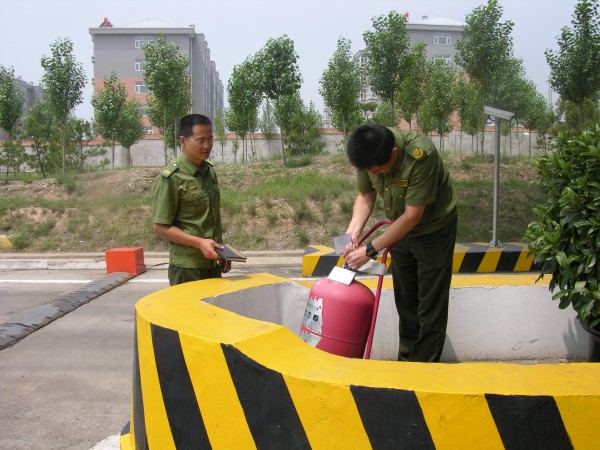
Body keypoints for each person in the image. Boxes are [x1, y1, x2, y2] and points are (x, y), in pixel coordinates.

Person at [343, 124, 457, 362]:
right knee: (406, 301)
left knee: (430, 305)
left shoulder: (420, 155)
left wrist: (370, 250)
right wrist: (352, 234)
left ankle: (424, 369)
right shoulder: (369, 153)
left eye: (378, 170)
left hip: (433, 230)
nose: (374, 173)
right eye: (369, 171)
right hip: (399, 229)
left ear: (394, 153)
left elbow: (413, 216)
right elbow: (366, 195)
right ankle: (406, 362)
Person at [151, 113, 231, 286]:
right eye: (200, 141)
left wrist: (222, 252)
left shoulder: (208, 172)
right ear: (183, 141)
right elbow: (160, 227)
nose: (207, 146)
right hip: (187, 268)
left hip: (212, 264)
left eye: (210, 140)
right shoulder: (171, 178)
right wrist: (199, 243)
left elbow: (209, 220)